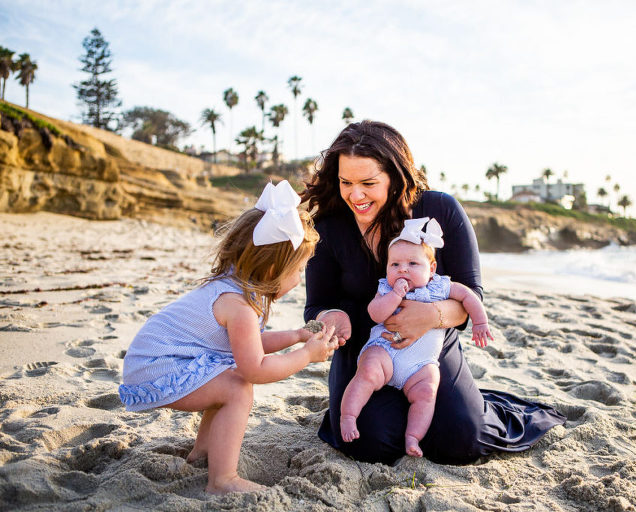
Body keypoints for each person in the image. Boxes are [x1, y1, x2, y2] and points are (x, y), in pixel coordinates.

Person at [302, 120, 566, 465]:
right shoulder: (328, 227)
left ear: (395, 178)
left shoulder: (439, 210)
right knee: (370, 442)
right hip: (366, 349)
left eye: (368, 183)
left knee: (462, 440)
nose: (355, 195)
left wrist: (430, 316)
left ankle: (468, 404)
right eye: (345, 182)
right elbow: (316, 305)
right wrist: (331, 317)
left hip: (429, 346)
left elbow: (471, 295)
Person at [119, 181, 339, 494]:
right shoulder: (237, 304)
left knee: (227, 380)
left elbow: (247, 344)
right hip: (159, 367)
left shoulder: (236, 286)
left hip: (156, 361)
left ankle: (205, 454)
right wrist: (306, 355)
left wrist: (297, 335)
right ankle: (222, 480)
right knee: (238, 387)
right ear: (275, 267)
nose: (299, 278)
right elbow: (255, 368)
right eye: (299, 270)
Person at [340, 217, 494, 457]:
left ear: (431, 268)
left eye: (413, 263)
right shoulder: (386, 289)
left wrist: (480, 322)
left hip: (421, 364)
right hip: (385, 351)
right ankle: (348, 416)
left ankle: (413, 436)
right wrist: (394, 296)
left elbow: (468, 296)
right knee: (367, 371)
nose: (402, 269)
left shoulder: (440, 286)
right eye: (395, 264)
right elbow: (375, 313)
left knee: (427, 391)